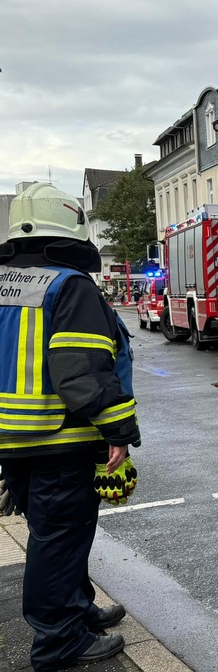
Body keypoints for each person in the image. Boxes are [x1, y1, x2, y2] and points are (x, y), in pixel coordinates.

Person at [0, 183, 139, 670]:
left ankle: (76, 611)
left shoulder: (3, 283)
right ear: (71, 231)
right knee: (59, 539)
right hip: (61, 437)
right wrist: (119, 430)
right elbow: (80, 371)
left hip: (13, 440)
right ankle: (60, 641)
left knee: (54, 535)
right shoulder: (69, 286)